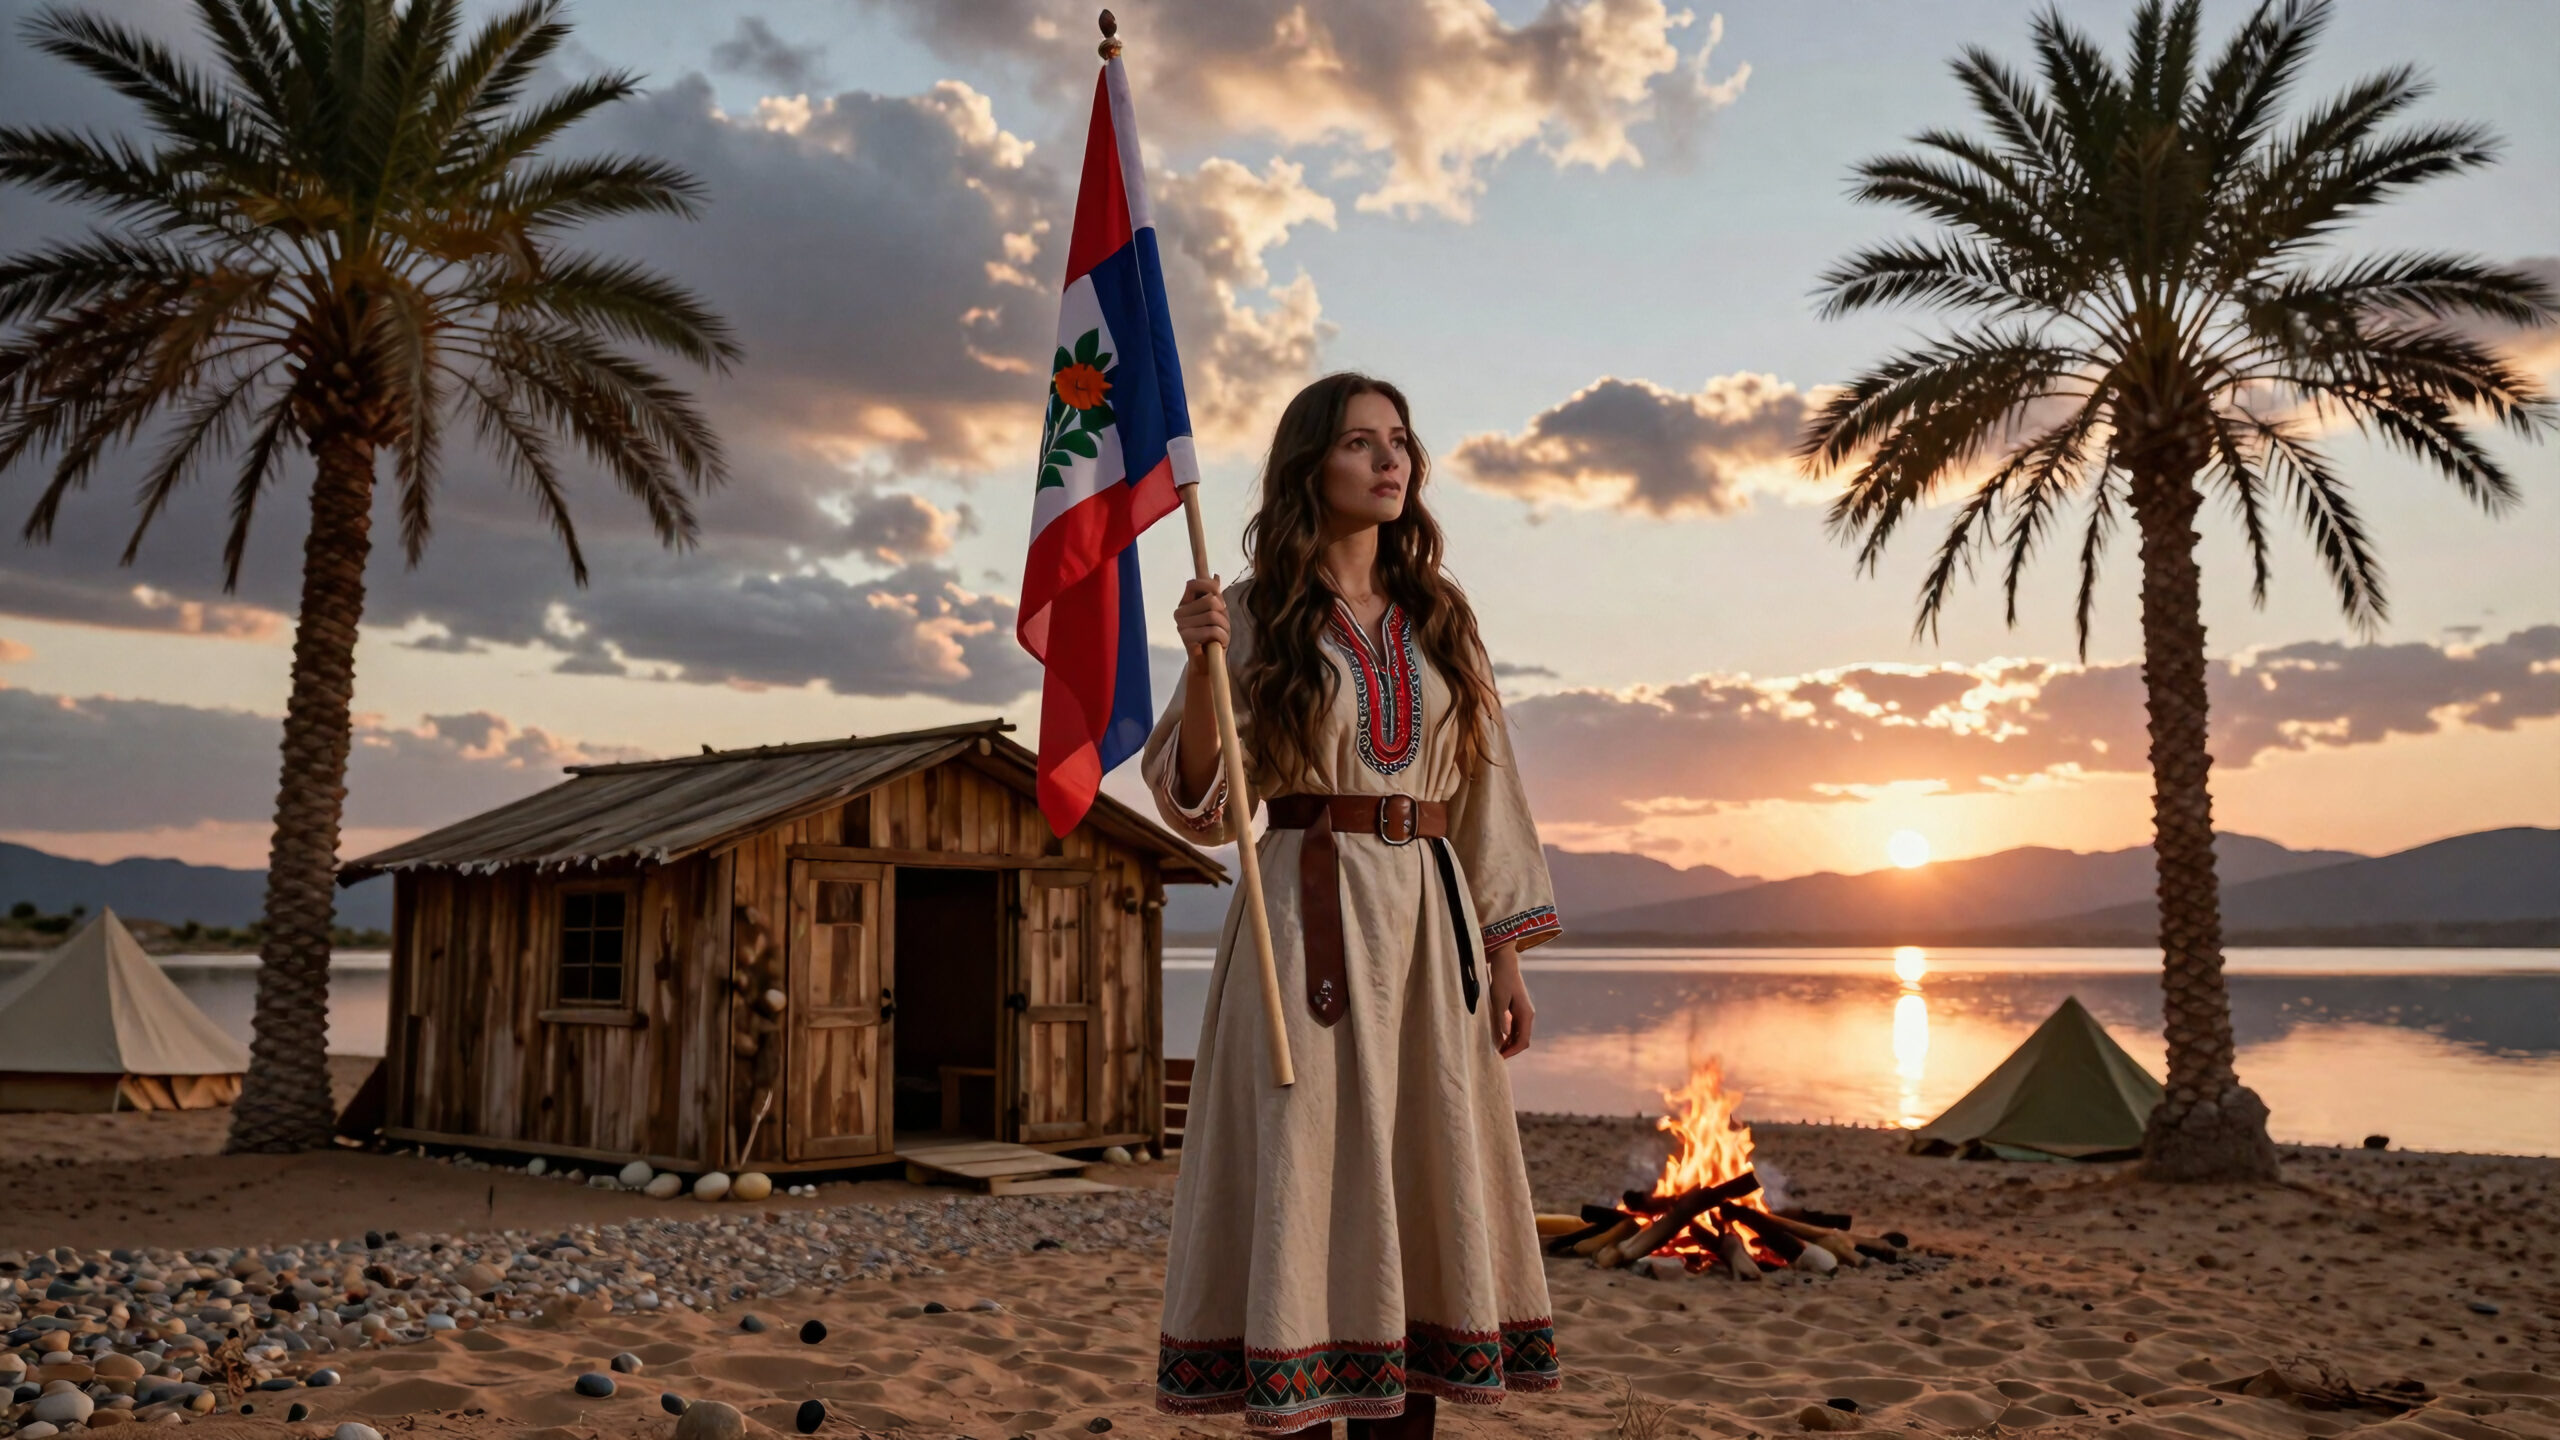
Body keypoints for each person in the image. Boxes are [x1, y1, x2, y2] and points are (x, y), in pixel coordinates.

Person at [1146, 373, 1562, 1436]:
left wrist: (1506, 955)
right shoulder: (1247, 612)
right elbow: (1201, 798)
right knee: (1304, 1159)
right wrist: (1202, 667)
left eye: (1400, 443)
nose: (1390, 462)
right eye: (1359, 444)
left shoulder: (1439, 616)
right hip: (1300, 921)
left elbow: (1485, 785)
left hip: (1430, 929)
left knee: (1423, 1175)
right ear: (1308, 468)